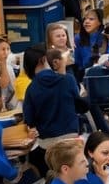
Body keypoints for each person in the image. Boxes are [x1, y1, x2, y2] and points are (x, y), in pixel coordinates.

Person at [22, 47, 90, 176]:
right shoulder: (67, 80)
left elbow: (29, 120)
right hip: (70, 139)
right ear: (44, 59)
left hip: (47, 145)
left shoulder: (31, 89)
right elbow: (81, 106)